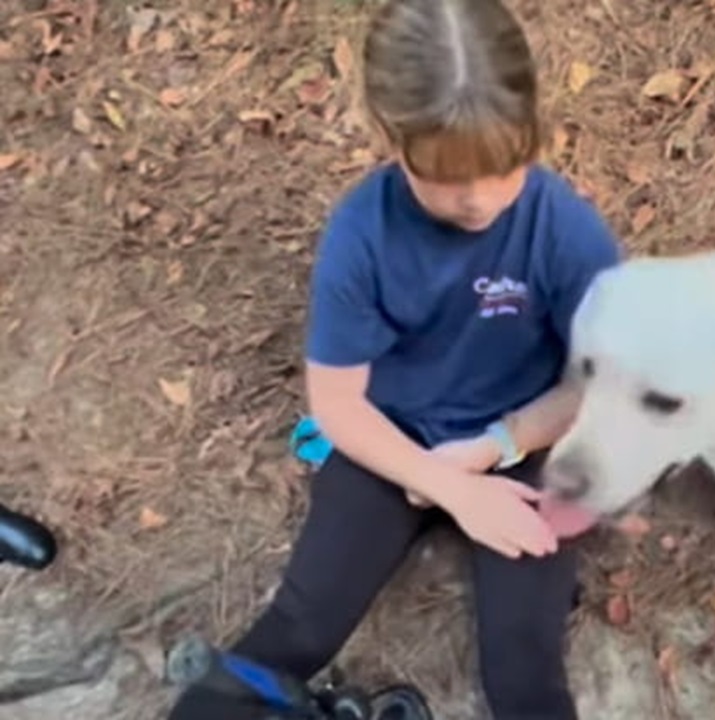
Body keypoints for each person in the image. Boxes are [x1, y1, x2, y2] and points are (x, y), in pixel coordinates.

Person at [167, 0, 622, 717]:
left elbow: (597, 381)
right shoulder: (362, 234)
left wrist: (492, 451)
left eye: (502, 169)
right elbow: (340, 406)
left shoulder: (567, 232)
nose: (477, 200)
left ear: (533, 133)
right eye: (446, 176)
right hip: (392, 438)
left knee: (524, 674)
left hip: (526, 442)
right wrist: (446, 485)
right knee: (296, 627)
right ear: (390, 136)